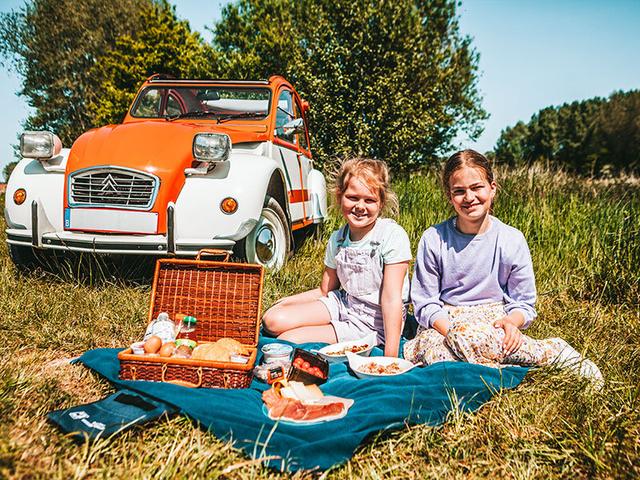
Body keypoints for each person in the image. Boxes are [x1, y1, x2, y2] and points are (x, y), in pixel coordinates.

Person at [404, 149, 603, 386]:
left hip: (492, 320)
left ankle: (552, 351)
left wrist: (511, 323)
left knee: (482, 343)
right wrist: (451, 330)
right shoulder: (434, 238)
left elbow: (523, 302)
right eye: (459, 191)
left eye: (477, 187)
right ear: (450, 196)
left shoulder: (511, 239)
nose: (469, 197)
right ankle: (503, 368)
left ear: (492, 188)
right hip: (446, 321)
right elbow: (425, 303)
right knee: (438, 356)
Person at [263, 158, 411, 357]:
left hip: (373, 322)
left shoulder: (390, 235)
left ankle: (337, 332)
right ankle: (325, 324)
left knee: (287, 339)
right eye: (352, 197)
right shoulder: (338, 238)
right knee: (272, 319)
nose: (360, 206)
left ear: (381, 202)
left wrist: (390, 356)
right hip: (343, 304)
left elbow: (392, 298)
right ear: (340, 196)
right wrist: (285, 301)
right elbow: (325, 290)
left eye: (369, 200)